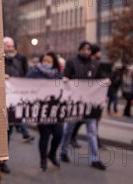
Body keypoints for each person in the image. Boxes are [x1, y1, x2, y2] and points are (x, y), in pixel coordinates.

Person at [60, 41, 107, 170]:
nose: (86, 51)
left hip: (90, 103)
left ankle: (95, 159)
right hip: (75, 102)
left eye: (88, 49)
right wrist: (65, 80)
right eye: (84, 49)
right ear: (80, 49)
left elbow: (100, 79)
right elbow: (66, 77)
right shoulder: (71, 62)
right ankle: (63, 151)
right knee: (69, 128)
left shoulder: (96, 64)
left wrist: (105, 82)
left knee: (92, 130)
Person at [26, 52, 64, 171]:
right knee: (45, 136)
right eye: (45, 61)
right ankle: (43, 159)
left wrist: (66, 82)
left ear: (54, 63)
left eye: (49, 61)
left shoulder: (58, 74)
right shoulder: (34, 72)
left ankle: (51, 154)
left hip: (55, 111)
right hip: (41, 110)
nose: (46, 63)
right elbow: (23, 84)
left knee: (58, 134)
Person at [2, 37, 34, 174]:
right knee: (5, 132)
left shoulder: (21, 59)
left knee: (12, 126)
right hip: (3, 99)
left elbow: (26, 75)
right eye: (7, 45)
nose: (10, 47)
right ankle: (1, 161)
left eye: (11, 45)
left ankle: (2, 161)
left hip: (16, 98)